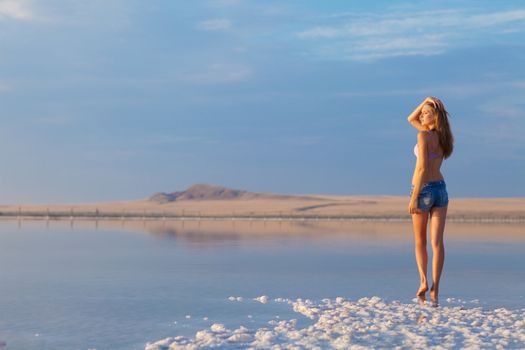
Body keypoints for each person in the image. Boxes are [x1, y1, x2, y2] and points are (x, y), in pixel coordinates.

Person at [407, 96, 454, 307]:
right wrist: (428, 101)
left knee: (420, 241)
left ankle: (424, 281)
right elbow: (411, 118)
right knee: (437, 243)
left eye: (426, 113)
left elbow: (423, 169)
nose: (421, 115)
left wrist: (414, 196)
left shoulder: (423, 135)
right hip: (441, 190)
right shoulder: (445, 137)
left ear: (434, 117)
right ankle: (436, 290)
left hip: (424, 189)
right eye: (423, 112)